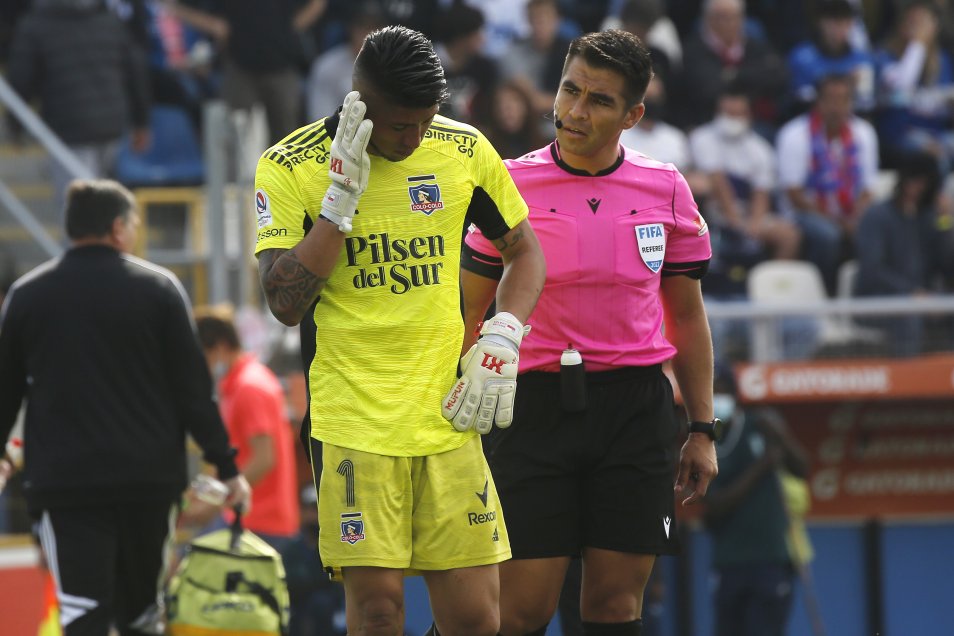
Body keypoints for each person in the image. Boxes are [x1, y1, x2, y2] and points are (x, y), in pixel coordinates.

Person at [253, 25, 546, 636]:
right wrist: (338, 208)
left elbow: (525, 252)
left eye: (424, 121)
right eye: (397, 126)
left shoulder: (463, 149)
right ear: (359, 99)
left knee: (476, 620)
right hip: (352, 419)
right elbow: (282, 301)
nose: (414, 139)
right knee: (381, 610)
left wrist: (504, 333)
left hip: (446, 416)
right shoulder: (289, 165)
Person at [461, 29, 719, 636]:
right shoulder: (506, 184)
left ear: (634, 115)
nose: (575, 112)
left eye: (599, 101)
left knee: (613, 607)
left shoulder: (667, 188)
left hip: (634, 411)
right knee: (520, 610)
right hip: (530, 409)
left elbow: (686, 315)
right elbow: (466, 313)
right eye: (569, 90)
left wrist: (703, 429)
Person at [0, 179, 250, 636]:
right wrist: (227, 466)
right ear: (118, 228)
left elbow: (5, 390)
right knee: (142, 614)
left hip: (64, 484)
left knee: (82, 611)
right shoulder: (159, 289)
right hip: (148, 484)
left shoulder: (27, 295)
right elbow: (193, 392)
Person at [6, 0, 151, 206]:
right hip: (112, 126)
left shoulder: (36, 24)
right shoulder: (109, 19)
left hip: (70, 131)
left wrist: (15, 126)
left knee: (79, 215)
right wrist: (142, 122)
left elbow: (21, 79)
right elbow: (136, 71)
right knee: (106, 210)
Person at [703, 367, 813, 636]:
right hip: (729, 562)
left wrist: (782, 436)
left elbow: (801, 468)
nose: (719, 398)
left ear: (736, 395)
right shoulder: (705, 439)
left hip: (770, 560)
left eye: (723, 391)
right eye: (713, 391)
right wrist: (761, 467)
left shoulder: (760, 424)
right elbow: (712, 509)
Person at [191, 305, 300, 549]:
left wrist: (215, 502)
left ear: (218, 348)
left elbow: (264, 459)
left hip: (262, 523)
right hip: (246, 517)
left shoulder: (249, 387)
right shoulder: (235, 385)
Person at [853, 151, 950, 357]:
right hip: (875, 302)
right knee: (908, 317)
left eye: (925, 183)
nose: (917, 188)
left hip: (924, 299)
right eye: (914, 180)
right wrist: (911, 293)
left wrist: (946, 223)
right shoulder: (876, 216)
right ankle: (910, 385)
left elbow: (947, 265)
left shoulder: (930, 218)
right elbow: (873, 269)